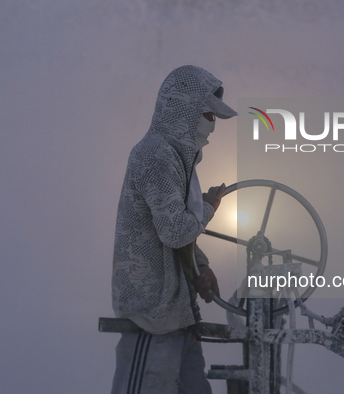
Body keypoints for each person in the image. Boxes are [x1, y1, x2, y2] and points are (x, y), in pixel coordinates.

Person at [110, 65, 237, 394]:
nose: (212, 127)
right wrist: (210, 207)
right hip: (152, 319)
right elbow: (176, 231)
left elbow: (177, 231)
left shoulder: (180, 161)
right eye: (209, 116)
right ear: (186, 111)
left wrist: (202, 266)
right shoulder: (157, 157)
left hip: (178, 315)